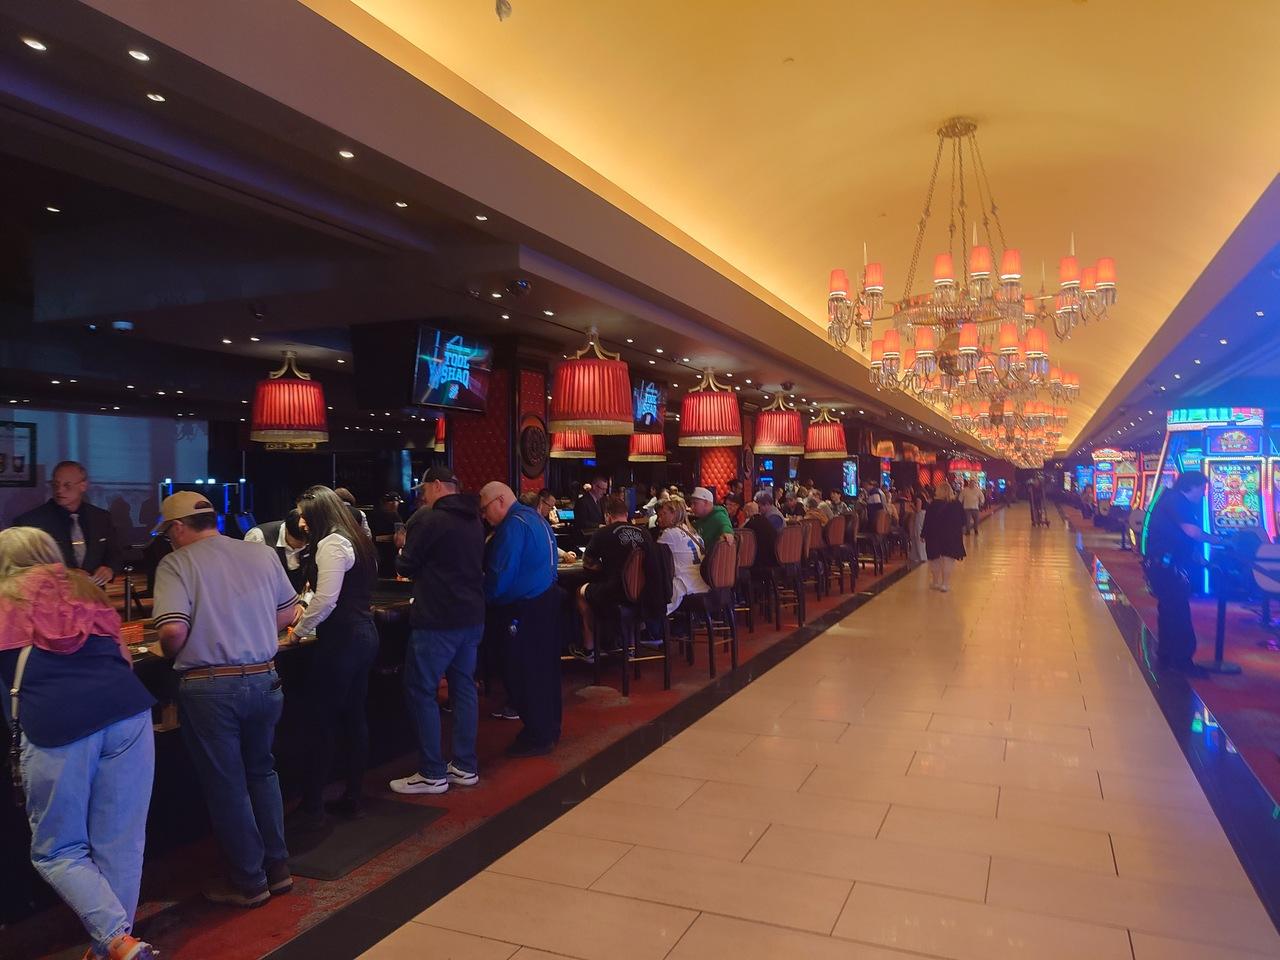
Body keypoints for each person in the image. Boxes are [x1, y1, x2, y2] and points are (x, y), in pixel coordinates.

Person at [1, 528, 158, 960]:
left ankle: (117, 941)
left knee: (57, 850)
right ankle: (115, 949)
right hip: (129, 713)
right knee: (121, 843)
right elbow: (124, 658)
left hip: (57, 727)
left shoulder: (4, 599)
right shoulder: (85, 587)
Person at [151, 491, 301, 907]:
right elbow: (289, 613)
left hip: (211, 686)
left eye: (167, 534)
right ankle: (278, 869)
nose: (169, 541)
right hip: (265, 678)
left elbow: (173, 631)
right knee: (263, 772)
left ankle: (249, 881)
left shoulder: (176, 563)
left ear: (177, 527)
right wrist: (249, 629)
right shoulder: (260, 553)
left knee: (228, 785)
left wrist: (165, 650)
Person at [389, 467, 486, 795]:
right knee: (464, 688)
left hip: (438, 617)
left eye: (425, 489)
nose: (423, 495)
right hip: (472, 615)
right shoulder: (474, 518)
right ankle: (465, 765)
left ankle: (432, 772)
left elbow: (406, 566)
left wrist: (402, 547)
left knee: (421, 690)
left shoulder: (429, 519)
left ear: (436, 486)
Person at [291, 486, 380, 829]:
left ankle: (313, 805)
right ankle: (353, 796)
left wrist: (298, 632)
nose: (301, 521)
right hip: (364, 633)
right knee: (355, 717)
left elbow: (326, 599)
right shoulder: (357, 538)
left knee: (322, 721)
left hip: (343, 639)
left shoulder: (332, 543)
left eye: (304, 515)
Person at [479, 482, 563, 756]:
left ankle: (537, 736)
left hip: (523, 609)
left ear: (500, 501)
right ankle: (549, 729)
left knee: (523, 673)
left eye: (485, 509)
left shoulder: (513, 526)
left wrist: (485, 597)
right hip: (546, 602)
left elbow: (501, 575)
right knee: (545, 671)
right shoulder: (537, 519)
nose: (484, 516)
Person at [1145, 473, 1222, 676]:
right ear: (1191, 486)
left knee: (1169, 611)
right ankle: (1181, 661)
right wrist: (1219, 540)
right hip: (1166, 566)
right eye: (1202, 489)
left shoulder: (1173, 499)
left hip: (1163, 564)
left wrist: (1199, 558)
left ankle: (1166, 655)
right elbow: (1192, 532)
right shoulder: (1177, 501)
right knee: (1178, 612)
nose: (1203, 494)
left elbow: (1180, 537)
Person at [14, 461, 122, 587]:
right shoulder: (31, 522)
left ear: (83, 486)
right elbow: (21, 567)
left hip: (93, 594)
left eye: (67, 485)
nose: (59, 490)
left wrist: (109, 569)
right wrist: (63, 574)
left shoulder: (101, 518)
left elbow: (115, 554)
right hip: (51, 595)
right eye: (55, 485)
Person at [573, 495, 652, 663]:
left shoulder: (603, 532)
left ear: (607, 515)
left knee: (580, 592)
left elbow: (588, 563)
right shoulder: (645, 533)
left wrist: (605, 569)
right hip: (643, 594)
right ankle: (630, 647)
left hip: (615, 592)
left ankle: (589, 648)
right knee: (629, 599)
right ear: (626, 514)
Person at [655, 497, 709, 614]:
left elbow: (654, 556)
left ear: (674, 514)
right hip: (702, 583)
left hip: (686, 585)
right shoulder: (693, 532)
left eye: (664, 514)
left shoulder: (670, 533)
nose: (660, 518)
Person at [244, 509, 312, 593]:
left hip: (298, 595)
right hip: (267, 593)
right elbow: (248, 575)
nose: (302, 546)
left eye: (306, 543)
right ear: (286, 530)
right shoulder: (258, 536)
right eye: (296, 543)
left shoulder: (314, 536)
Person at [922, 482, 966, 592]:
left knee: (935, 559)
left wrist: (923, 534)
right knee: (948, 559)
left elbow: (927, 521)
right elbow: (963, 521)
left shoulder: (933, 505)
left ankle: (935, 582)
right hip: (951, 535)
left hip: (934, 535)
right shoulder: (956, 504)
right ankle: (945, 584)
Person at [367, 493, 405, 578]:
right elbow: (400, 539)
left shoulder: (373, 515)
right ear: (393, 503)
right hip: (389, 553)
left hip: (376, 551)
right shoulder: (395, 516)